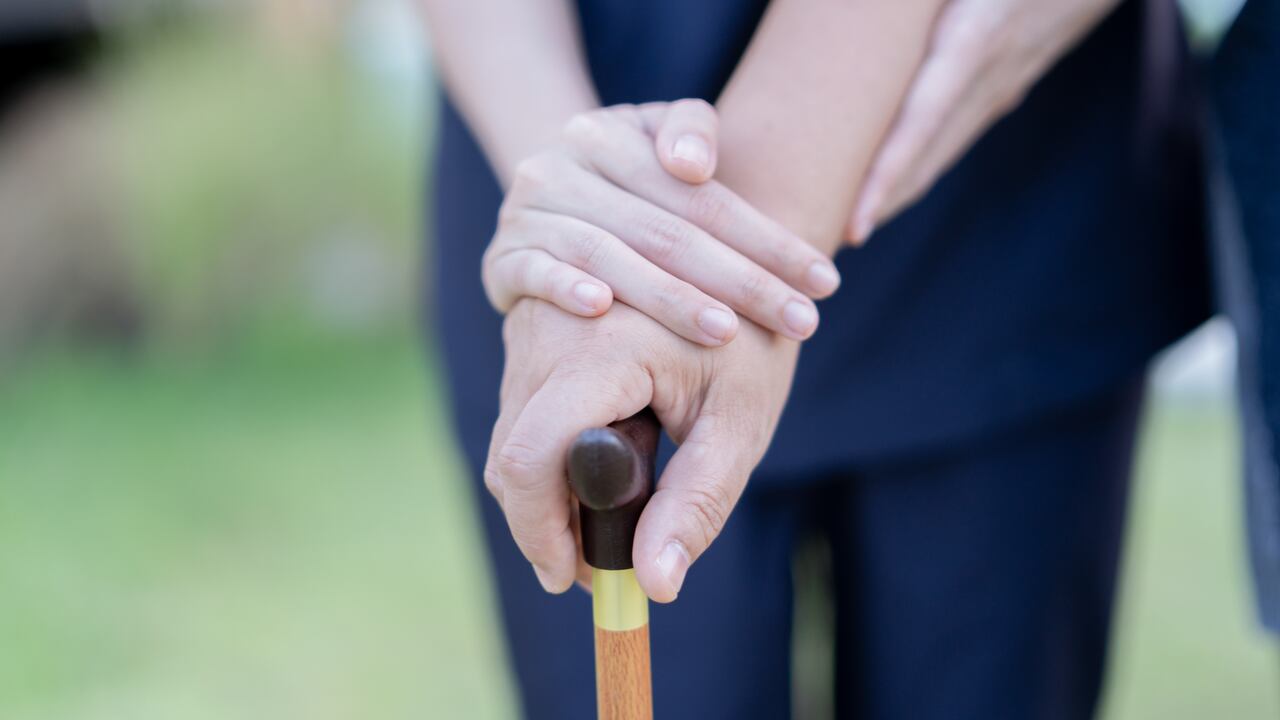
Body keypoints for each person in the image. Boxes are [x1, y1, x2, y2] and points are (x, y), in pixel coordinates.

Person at [422, 0, 1211, 717]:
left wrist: (703, 233)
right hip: (565, 194)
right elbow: (568, 194)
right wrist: (572, 199)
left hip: (991, 213)